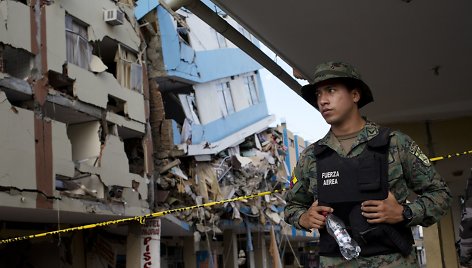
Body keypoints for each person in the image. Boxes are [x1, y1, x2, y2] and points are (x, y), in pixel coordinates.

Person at [284, 61, 452, 267]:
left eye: (331, 90)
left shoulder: (395, 143)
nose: (323, 101)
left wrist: (404, 212)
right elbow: (292, 206)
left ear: (355, 95)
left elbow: (441, 194)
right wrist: (304, 218)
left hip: (393, 260)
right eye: (319, 94)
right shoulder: (313, 156)